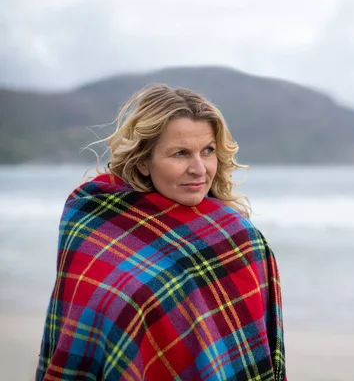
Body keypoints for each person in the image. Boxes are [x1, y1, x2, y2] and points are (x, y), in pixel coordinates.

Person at [36, 84, 286, 381]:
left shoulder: (237, 239)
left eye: (207, 151)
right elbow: (79, 321)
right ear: (143, 160)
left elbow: (253, 342)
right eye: (180, 153)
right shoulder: (92, 215)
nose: (199, 169)